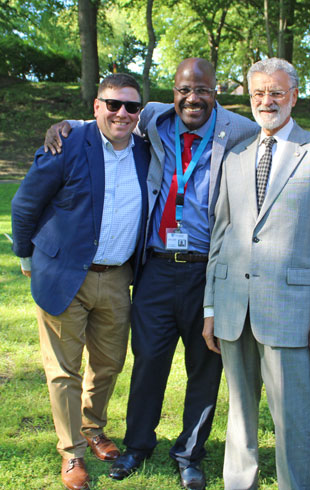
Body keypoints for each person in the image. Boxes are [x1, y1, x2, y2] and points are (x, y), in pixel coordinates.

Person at [45, 58, 259, 489]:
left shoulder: (240, 130)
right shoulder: (155, 118)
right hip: (156, 270)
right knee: (148, 364)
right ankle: (138, 445)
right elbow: (112, 116)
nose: (192, 98)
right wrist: (66, 122)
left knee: (205, 366)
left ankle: (190, 452)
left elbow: (274, 136)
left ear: (216, 91)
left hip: (208, 273)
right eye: (184, 90)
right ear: (173, 91)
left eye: (202, 90)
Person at [203, 58, 310, 490]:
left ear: (294, 96)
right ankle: (238, 484)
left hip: (292, 311)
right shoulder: (235, 158)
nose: (267, 101)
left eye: (276, 93)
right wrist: (210, 305)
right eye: (259, 93)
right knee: (240, 413)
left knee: (294, 415)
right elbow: (220, 233)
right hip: (231, 307)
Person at [11, 73, 150, 490]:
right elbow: (25, 202)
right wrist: (26, 255)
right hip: (63, 274)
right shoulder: (68, 142)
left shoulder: (147, 150)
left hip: (117, 276)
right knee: (64, 371)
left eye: (131, 107)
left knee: (109, 364)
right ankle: (71, 453)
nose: (122, 113)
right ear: (96, 106)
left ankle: (93, 428)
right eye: (113, 104)